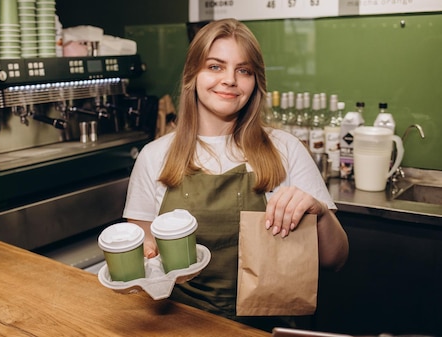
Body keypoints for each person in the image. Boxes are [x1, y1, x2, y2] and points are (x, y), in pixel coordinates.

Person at [123, 18, 349, 329]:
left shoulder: (286, 149)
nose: (230, 79)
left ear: (255, 81)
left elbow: (336, 259)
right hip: (181, 325)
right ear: (192, 75)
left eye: (243, 70)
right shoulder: (155, 157)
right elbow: (142, 264)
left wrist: (320, 213)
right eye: (215, 66)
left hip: (267, 326)